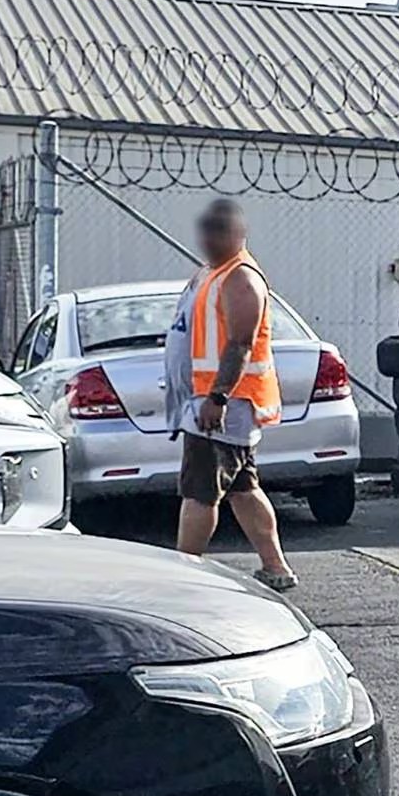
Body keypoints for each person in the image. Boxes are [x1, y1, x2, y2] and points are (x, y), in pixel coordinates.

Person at [164, 198, 298, 591]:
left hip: (223, 405)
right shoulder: (211, 272)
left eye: (218, 232)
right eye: (205, 232)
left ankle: (184, 572)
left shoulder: (242, 279)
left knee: (199, 490)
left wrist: (217, 398)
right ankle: (276, 566)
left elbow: (240, 343)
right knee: (242, 488)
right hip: (209, 401)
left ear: (239, 235)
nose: (208, 240)